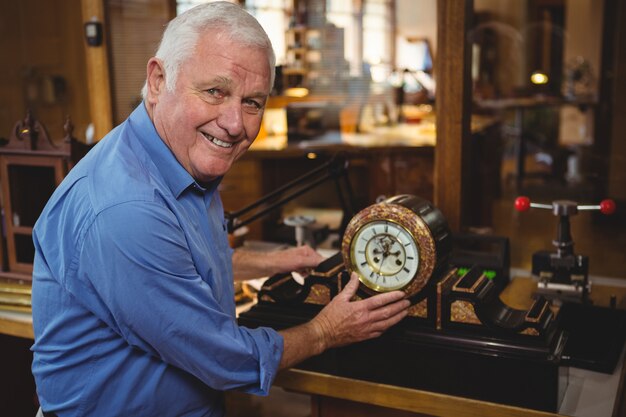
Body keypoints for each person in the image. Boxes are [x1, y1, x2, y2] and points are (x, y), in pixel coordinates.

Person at [31, 2, 410, 416]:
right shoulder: (125, 210)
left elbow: (175, 261)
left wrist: (272, 261)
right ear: (158, 80)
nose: (235, 123)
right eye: (215, 91)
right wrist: (325, 331)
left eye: (253, 102)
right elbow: (225, 360)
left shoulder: (177, 158)